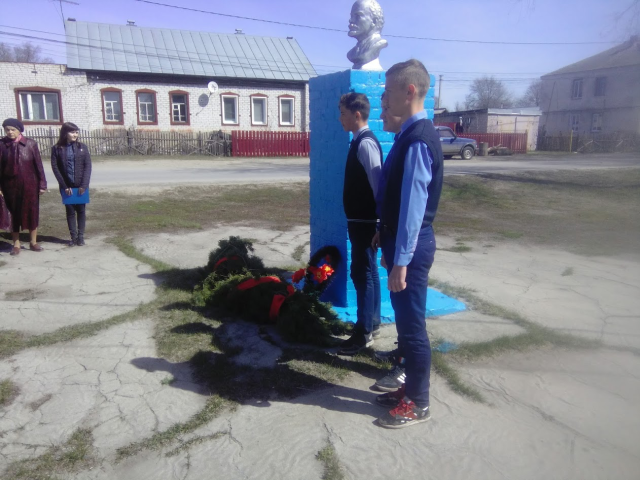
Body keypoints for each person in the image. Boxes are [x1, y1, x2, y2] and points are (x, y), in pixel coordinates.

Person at [371, 59, 444, 428]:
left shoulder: (418, 139)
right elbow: (396, 197)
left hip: (411, 248)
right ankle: (409, 389)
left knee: (413, 328)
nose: (385, 98)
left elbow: (414, 208)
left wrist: (401, 260)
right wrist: (383, 230)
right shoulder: (408, 134)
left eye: (389, 91)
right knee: (405, 324)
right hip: (400, 241)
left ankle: (419, 403)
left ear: (409, 91)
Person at [337, 92, 382, 355]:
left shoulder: (365, 144)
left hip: (366, 221)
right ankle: (372, 323)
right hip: (361, 220)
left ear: (356, 115)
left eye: (343, 114)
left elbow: (378, 186)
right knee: (368, 271)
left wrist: (381, 223)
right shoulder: (358, 141)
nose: (340, 118)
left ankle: (363, 333)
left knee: (362, 273)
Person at [0, 118, 47, 255]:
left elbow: (39, 165)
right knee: (13, 214)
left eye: (13, 129)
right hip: (9, 187)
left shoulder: (30, 144)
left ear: (19, 130)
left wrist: (42, 184)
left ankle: (33, 242)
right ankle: (16, 244)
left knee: (32, 213)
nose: (10, 132)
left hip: (30, 186)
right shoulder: (2, 145)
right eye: (7, 130)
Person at [51, 122, 92, 246]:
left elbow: (88, 166)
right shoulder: (57, 148)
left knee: (81, 211)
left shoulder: (82, 147)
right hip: (66, 187)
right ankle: (73, 237)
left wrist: (84, 185)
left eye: (76, 132)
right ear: (65, 133)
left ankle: (81, 237)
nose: (75, 135)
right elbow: (55, 168)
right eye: (72, 132)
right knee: (70, 211)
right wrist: (64, 186)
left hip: (80, 187)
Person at [347, 0, 388, 70]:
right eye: (351, 16)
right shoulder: (352, 53)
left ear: (374, 21)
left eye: (358, 16)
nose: (351, 20)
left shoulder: (378, 43)